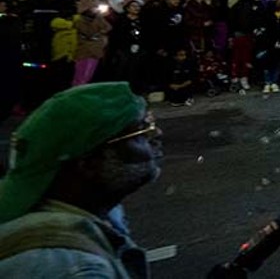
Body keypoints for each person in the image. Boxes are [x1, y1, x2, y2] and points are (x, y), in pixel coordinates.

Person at [0, 83, 161, 277]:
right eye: (140, 132)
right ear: (89, 164)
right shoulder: (74, 268)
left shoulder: (88, 209)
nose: (155, 134)